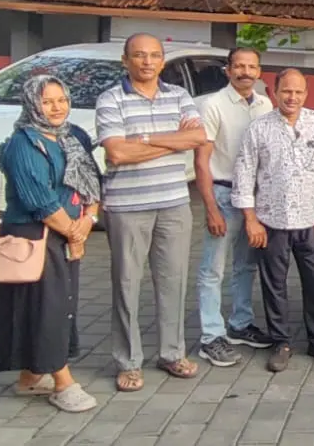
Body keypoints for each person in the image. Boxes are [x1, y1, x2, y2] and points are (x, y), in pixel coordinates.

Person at [96, 34, 208, 392]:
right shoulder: (110, 99)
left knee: (173, 281)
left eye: (155, 56)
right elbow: (116, 154)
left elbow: (197, 138)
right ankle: (128, 362)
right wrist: (172, 140)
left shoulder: (179, 95)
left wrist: (142, 139)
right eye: (139, 55)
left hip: (174, 203)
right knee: (126, 284)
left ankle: (172, 353)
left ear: (163, 61)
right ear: (125, 60)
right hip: (127, 207)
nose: (147, 62)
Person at [0, 75, 100, 413]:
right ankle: (63, 382)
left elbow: (93, 182)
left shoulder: (74, 136)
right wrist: (74, 232)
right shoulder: (23, 143)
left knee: (59, 302)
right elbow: (38, 199)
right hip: (34, 236)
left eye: (62, 100)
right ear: (31, 104)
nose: (57, 108)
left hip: (68, 232)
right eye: (47, 101)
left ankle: (30, 377)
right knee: (47, 307)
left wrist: (88, 220)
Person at [234, 69, 314, 371]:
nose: (292, 97)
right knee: (274, 284)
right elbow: (244, 173)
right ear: (274, 92)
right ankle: (281, 342)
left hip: (313, 220)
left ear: (306, 94)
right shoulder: (259, 128)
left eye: (298, 92)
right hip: (271, 221)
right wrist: (250, 219)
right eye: (286, 91)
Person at [192, 47, 275, 369]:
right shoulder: (213, 105)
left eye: (251, 67)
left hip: (255, 199)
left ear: (259, 71)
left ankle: (241, 324)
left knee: (246, 265)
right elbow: (202, 160)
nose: (245, 72)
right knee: (212, 269)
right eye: (239, 66)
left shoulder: (265, 104)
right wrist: (210, 207)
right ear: (228, 70)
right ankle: (211, 336)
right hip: (224, 194)